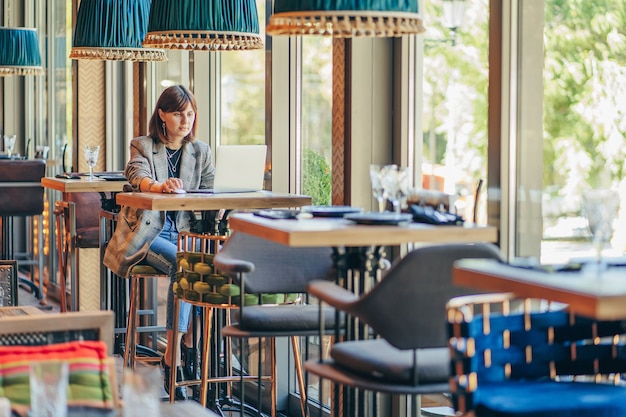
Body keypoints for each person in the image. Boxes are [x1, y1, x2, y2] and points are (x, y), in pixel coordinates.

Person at [103, 85, 214, 400]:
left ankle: (191, 348)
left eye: (190, 113)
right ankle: (174, 358)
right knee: (185, 266)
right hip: (150, 235)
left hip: (188, 236)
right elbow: (135, 175)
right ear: (162, 115)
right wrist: (158, 185)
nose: (185, 120)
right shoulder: (143, 145)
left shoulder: (201, 152)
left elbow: (208, 192)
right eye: (178, 113)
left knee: (201, 267)